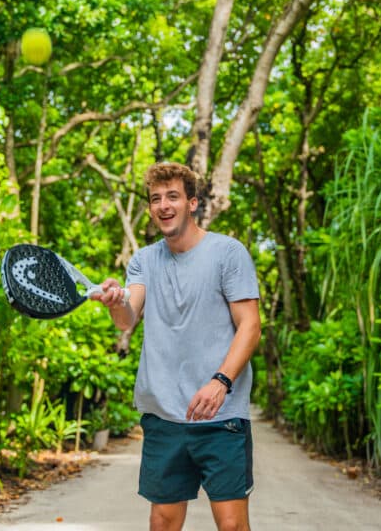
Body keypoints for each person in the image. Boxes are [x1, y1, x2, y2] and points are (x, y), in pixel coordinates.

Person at [92, 162, 261, 531]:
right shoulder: (144, 260)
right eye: (156, 199)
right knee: (163, 521)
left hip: (221, 415)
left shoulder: (228, 253)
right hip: (165, 415)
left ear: (192, 203)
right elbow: (127, 316)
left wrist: (221, 382)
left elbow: (250, 326)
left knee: (232, 525)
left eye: (173, 196)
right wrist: (115, 301)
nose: (164, 205)